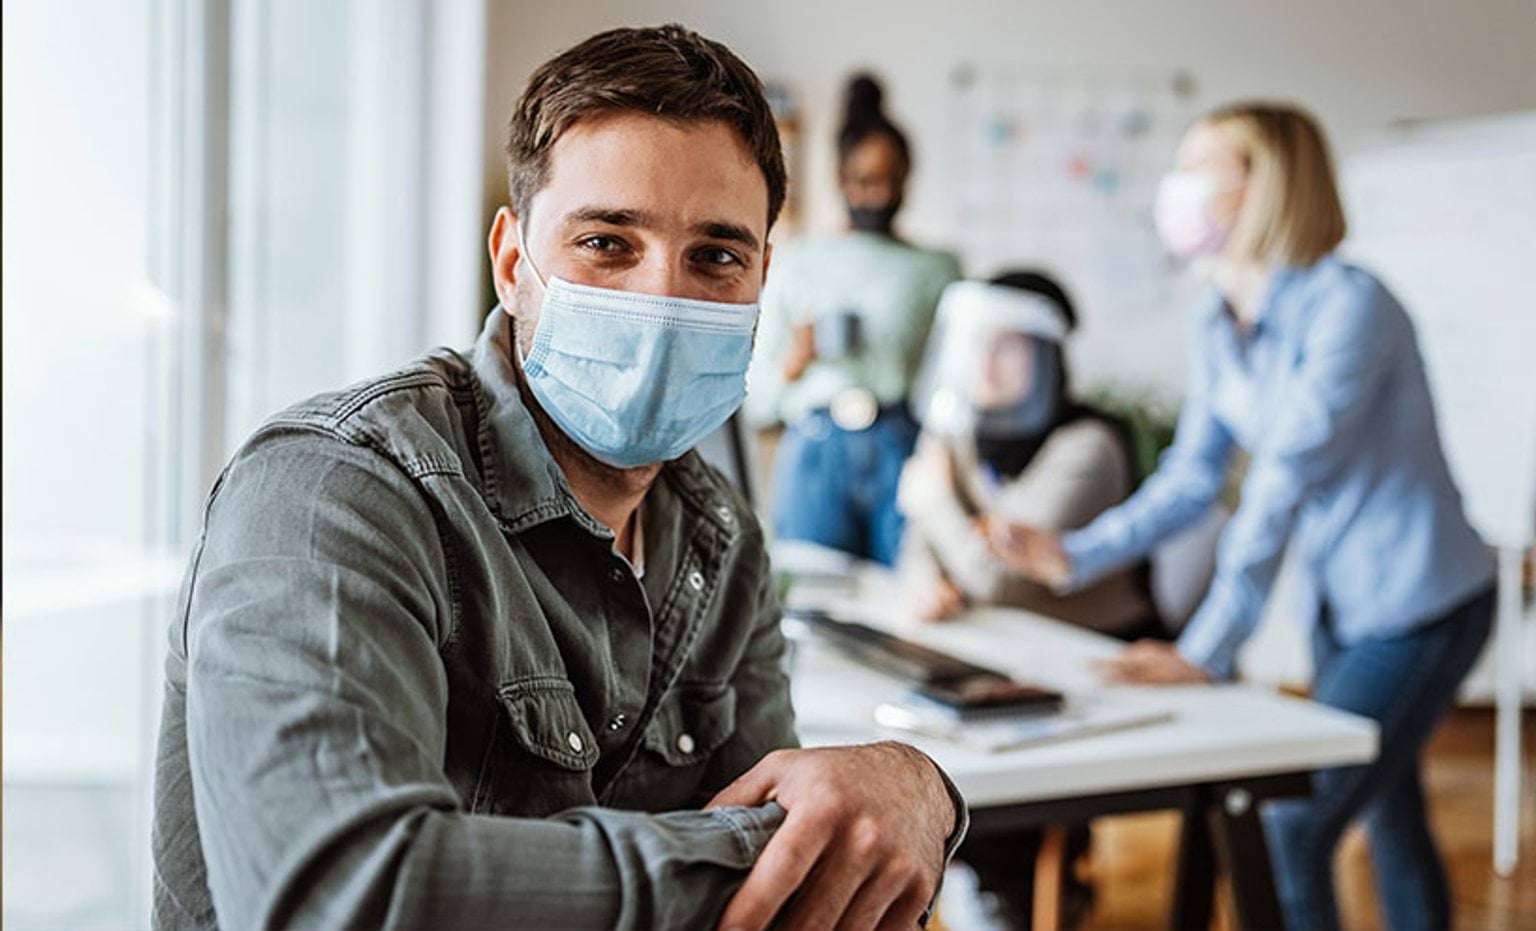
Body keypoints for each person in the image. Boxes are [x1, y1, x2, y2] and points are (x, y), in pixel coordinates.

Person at [151, 26, 967, 931]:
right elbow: (345, 896)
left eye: (716, 256)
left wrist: (920, 786)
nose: (663, 299)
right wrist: (784, 842)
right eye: (608, 243)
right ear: (513, 262)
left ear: (763, 278)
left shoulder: (720, 536)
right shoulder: (334, 490)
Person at [990, 102, 1495, 931]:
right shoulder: (1218, 319)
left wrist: (1207, 650)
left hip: (1424, 605)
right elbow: (1192, 477)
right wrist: (1074, 555)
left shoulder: (1351, 307)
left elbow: (1280, 484)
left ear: (1267, 185)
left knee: (1294, 822)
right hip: (1346, 604)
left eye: (1201, 167)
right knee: (1388, 811)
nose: (1177, 188)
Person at [745, 74, 961, 566]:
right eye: (863, 180)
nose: (876, 194)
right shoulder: (798, 261)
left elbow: (953, 378)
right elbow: (758, 401)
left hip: (902, 445)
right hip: (816, 448)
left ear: (908, 179)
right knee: (813, 596)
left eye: (890, 180)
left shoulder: (936, 268)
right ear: (840, 179)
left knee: (909, 593)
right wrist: (798, 358)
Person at [897, 270, 1157, 636]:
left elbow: (999, 582)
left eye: (1006, 347)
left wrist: (935, 499)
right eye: (976, 345)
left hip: (1094, 644)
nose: (985, 365)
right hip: (999, 639)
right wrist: (927, 584)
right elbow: (919, 541)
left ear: (1045, 355)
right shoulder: (959, 432)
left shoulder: (1089, 446)